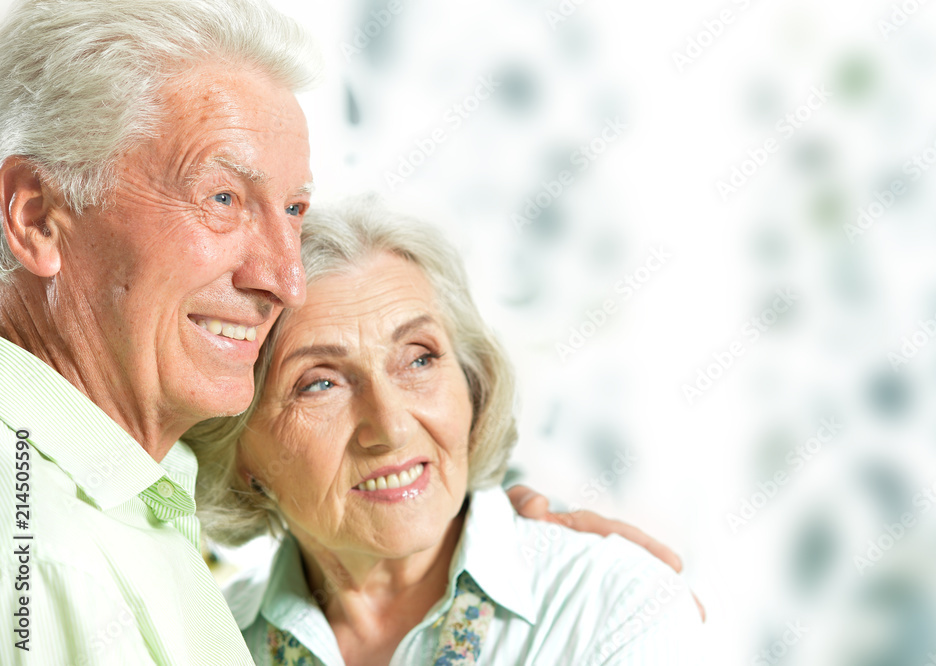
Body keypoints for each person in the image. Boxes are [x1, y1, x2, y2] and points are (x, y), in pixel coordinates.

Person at [0, 1, 694, 663]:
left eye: (294, 207)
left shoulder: (147, 523)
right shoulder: (43, 547)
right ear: (36, 218)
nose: (283, 278)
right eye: (222, 198)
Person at [185, 197, 704, 665]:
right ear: (239, 451)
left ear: (473, 385)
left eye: (419, 359)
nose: (389, 427)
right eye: (320, 383)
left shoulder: (615, 605)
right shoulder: (204, 645)